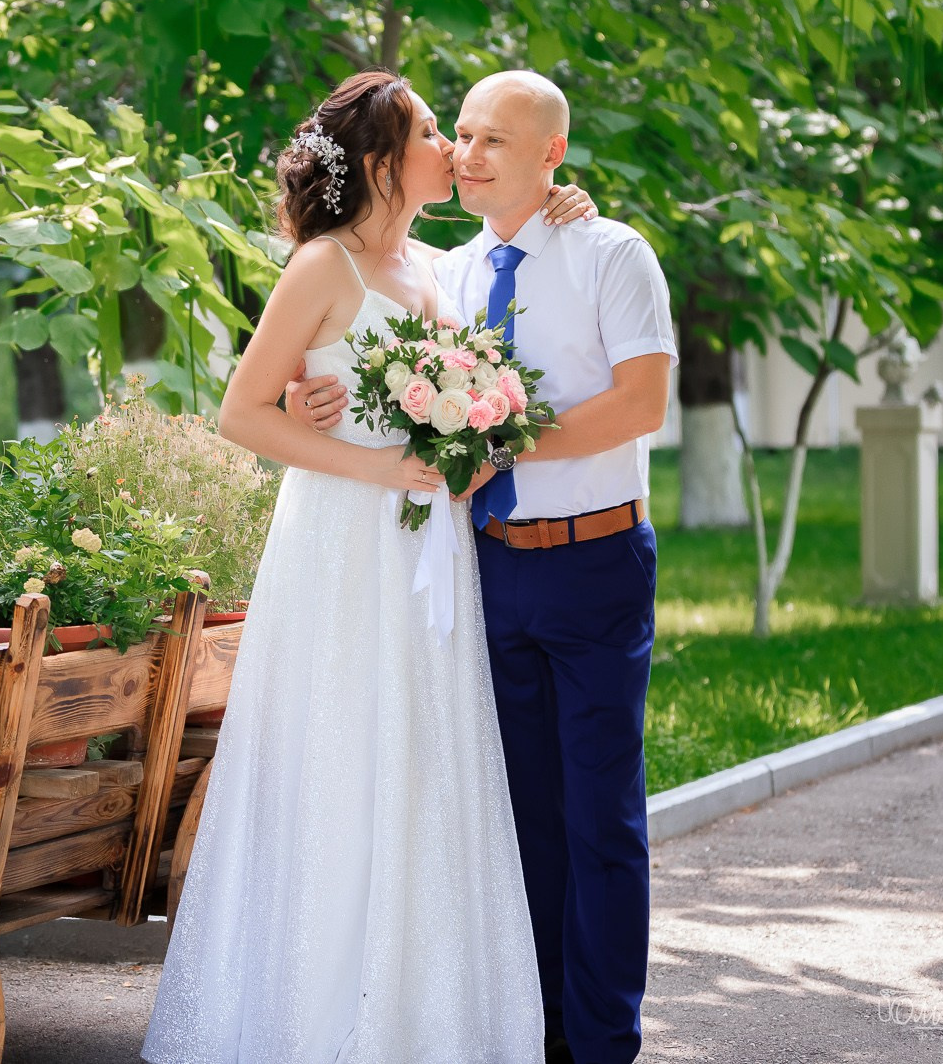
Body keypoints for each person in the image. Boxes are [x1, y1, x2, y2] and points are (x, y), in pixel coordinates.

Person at [143, 71, 596, 1064]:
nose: (453, 147)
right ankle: (313, 1017)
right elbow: (240, 411)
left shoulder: (436, 269)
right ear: (385, 159)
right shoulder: (322, 267)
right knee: (342, 753)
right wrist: (380, 465)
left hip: (426, 552)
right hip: (342, 549)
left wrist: (569, 203)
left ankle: (414, 1014)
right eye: (435, 131)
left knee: (425, 759)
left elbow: (505, 303)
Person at [288, 70, 674, 1064]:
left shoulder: (609, 253)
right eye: (456, 133)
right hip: (481, 570)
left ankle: (600, 1042)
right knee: (515, 820)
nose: (465, 153)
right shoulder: (442, 271)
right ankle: (532, 1029)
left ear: (552, 154)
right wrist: (304, 399)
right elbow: (349, 346)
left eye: (491, 139)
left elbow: (639, 407)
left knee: (599, 816)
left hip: (593, 564)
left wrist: (503, 444)